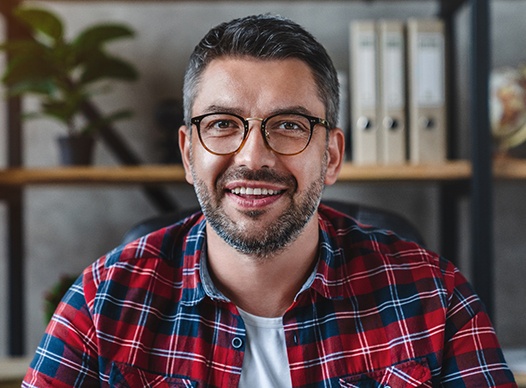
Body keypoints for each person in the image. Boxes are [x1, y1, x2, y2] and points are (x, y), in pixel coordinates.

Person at [23, 14, 516, 387]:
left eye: (288, 126)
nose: (253, 156)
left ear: (332, 156)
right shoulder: (101, 305)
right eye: (221, 124)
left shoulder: (436, 299)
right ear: (188, 153)